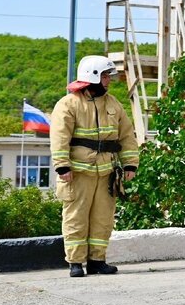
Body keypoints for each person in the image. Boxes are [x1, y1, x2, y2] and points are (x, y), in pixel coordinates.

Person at [50, 56, 139, 277]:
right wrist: (62, 166)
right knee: (76, 217)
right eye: (106, 76)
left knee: (103, 218)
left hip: (107, 171)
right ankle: (75, 262)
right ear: (93, 76)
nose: (109, 80)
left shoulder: (113, 104)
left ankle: (97, 261)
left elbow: (127, 135)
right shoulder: (68, 104)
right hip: (78, 173)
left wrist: (130, 164)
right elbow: (59, 137)